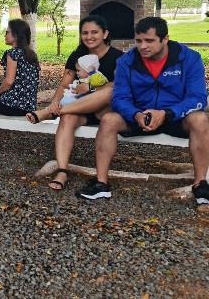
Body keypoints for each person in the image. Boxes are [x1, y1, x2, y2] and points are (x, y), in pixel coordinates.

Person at [76, 17, 209, 207]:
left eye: (149, 41)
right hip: (139, 117)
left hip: (175, 116)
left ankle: (201, 184)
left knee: (200, 119)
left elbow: (198, 98)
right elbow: (119, 98)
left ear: (165, 39)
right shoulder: (126, 62)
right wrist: (135, 115)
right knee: (109, 119)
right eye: (138, 41)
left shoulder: (190, 58)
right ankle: (101, 184)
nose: (143, 46)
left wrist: (167, 113)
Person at [25, 15, 123, 190]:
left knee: (109, 91)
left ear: (105, 34)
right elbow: (64, 84)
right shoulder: (78, 55)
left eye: (95, 32)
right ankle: (62, 171)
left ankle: (49, 112)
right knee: (67, 118)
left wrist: (91, 90)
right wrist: (56, 102)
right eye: (85, 33)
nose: (89, 37)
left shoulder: (117, 57)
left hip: (106, 111)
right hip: (80, 109)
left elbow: (120, 86)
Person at [0, 19, 40, 151]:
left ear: (15, 36)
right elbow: (20, 81)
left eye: (7, 32)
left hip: (13, 105)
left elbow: (9, 81)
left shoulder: (13, 53)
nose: (5, 35)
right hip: (28, 105)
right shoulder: (31, 54)